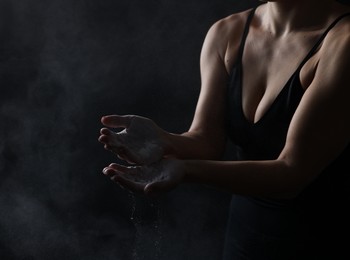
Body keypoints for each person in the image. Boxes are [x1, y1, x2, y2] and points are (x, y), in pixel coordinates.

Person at [98, 0, 350, 259]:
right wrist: (164, 141)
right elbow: (206, 140)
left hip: (319, 240)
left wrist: (185, 170)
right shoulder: (227, 33)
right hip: (244, 238)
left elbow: (292, 174)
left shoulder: (342, 42)